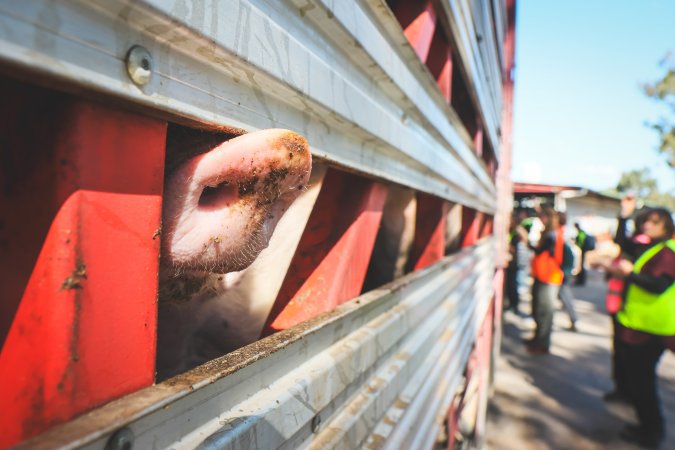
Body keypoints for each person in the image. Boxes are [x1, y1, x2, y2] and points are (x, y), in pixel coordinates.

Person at [602, 207, 675, 448]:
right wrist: (623, 216)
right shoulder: (652, 247)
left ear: (666, 226)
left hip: (652, 328)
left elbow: (658, 286)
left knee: (643, 384)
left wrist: (629, 274)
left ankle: (651, 432)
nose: (647, 226)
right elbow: (624, 243)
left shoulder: (667, 252)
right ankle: (647, 426)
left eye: (654, 222)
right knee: (638, 381)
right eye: (645, 221)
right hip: (638, 324)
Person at [518, 207, 565, 354]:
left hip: (549, 278)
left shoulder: (552, 235)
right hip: (542, 276)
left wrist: (526, 240)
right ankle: (538, 339)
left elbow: (540, 251)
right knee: (538, 310)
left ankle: (543, 344)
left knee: (545, 312)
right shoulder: (549, 233)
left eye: (543, 217)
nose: (541, 220)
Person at [557, 212, 578, 331]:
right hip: (562, 271)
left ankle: (574, 320)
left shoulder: (561, 234)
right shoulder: (560, 233)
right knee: (564, 296)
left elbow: (568, 255)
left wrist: (565, 271)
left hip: (562, 272)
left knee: (566, 296)